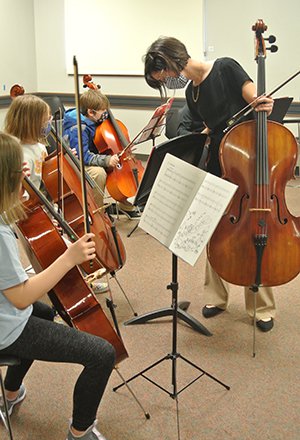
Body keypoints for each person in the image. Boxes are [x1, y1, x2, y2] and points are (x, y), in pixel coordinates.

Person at [143, 36, 276, 332]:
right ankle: (216, 297)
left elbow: (252, 96)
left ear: (172, 61)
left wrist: (260, 102)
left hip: (248, 161)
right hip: (218, 163)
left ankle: (261, 306)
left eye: (164, 76)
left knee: (256, 230)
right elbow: (212, 125)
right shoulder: (192, 92)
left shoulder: (225, 68)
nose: (168, 82)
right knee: (215, 229)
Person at [0, 132, 120, 440]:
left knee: (45, 311)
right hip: (4, 327)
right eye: (18, 171)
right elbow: (21, 295)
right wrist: (67, 258)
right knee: (101, 354)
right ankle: (80, 435)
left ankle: (9, 395)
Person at [4, 94, 109, 294]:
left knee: (68, 240)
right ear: (31, 122)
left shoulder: (40, 147)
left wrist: (68, 160)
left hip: (40, 205)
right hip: (19, 209)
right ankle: (70, 286)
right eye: (46, 120)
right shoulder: (13, 151)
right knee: (61, 246)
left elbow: (49, 177)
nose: (50, 123)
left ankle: (81, 280)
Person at [63, 89, 141, 219]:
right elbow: (83, 156)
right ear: (90, 112)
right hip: (75, 163)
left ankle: (122, 200)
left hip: (88, 156)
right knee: (99, 173)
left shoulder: (93, 120)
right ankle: (97, 212)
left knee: (116, 164)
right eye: (103, 111)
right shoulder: (78, 128)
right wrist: (106, 160)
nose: (106, 114)